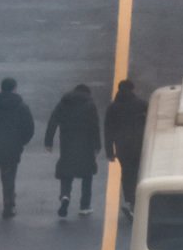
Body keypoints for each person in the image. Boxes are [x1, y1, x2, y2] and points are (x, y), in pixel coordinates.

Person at [0, 77, 35, 218]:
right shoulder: (22, 107)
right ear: (14, 88)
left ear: (1, 88)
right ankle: (9, 203)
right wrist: (22, 140)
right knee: (11, 173)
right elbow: (29, 127)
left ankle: (9, 200)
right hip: (15, 144)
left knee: (5, 173)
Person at [45, 84, 101, 217]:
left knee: (66, 171)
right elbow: (95, 126)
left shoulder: (64, 103)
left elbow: (53, 121)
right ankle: (84, 205)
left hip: (67, 141)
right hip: (85, 143)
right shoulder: (90, 105)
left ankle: (65, 195)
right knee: (87, 174)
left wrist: (48, 142)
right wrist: (97, 145)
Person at [103, 79, 147, 219]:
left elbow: (108, 130)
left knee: (127, 175)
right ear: (132, 89)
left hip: (123, 147)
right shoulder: (141, 104)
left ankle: (130, 201)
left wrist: (110, 151)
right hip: (140, 145)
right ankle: (140, 202)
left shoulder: (113, 107)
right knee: (140, 173)